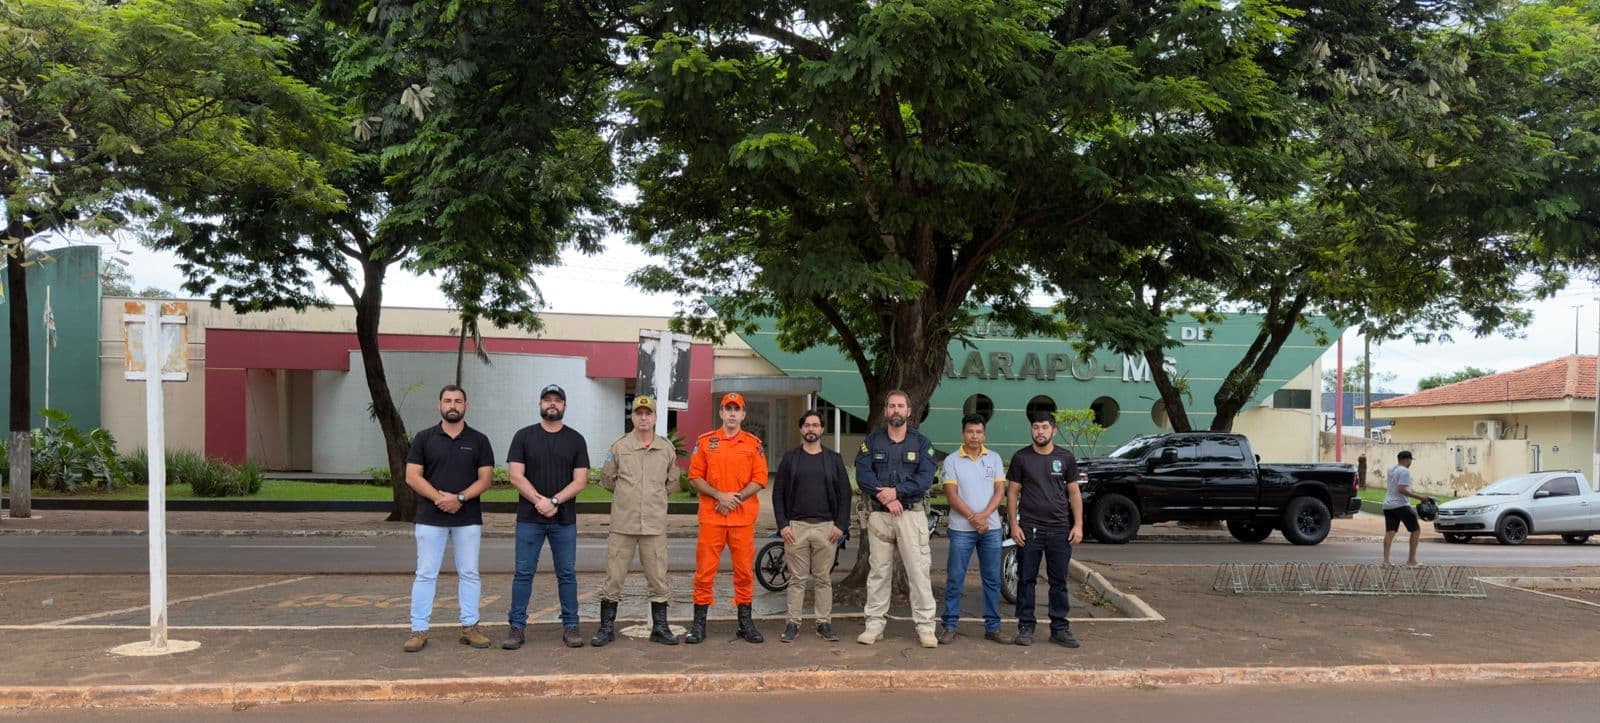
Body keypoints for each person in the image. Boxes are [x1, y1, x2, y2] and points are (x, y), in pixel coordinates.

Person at [401, 385, 495, 653]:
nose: (452, 405)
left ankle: (470, 627)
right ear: (439, 404)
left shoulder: (479, 440)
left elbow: (485, 479)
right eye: (447, 400)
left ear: (467, 405)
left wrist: (460, 499)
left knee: (469, 573)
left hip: (468, 519)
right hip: (430, 518)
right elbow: (412, 476)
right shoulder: (423, 438)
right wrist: (440, 499)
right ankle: (418, 630)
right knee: (425, 574)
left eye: (458, 401)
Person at [503, 383, 590, 650]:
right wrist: (539, 502)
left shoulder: (576, 439)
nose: (552, 404)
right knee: (523, 574)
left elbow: (581, 481)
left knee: (566, 574)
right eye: (547, 400)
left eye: (557, 400)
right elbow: (515, 476)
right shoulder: (523, 437)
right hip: (530, 519)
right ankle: (516, 628)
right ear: (540, 404)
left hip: (563, 520)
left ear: (564, 405)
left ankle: (571, 626)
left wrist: (553, 501)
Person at [591, 395, 680, 647]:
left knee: (658, 579)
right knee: (614, 578)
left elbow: (671, 483)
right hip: (623, 524)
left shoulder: (666, 449)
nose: (643, 417)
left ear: (654, 417)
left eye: (648, 413)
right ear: (632, 417)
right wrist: (628, 498)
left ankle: (660, 628)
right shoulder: (619, 447)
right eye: (639, 413)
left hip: (654, 525)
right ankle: (606, 628)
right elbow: (608, 479)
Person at [854, 390, 939, 648]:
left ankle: (926, 627)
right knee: (878, 572)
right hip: (880, 515)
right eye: (891, 406)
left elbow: (925, 477)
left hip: (911, 516)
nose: (896, 410)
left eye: (901, 406)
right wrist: (887, 498)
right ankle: (874, 625)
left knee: (918, 572)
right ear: (886, 411)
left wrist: (897, 493)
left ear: (909, 412)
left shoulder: (922, 444)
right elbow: (863, 474)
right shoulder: (872, 441)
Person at [685, 392, 769, 644]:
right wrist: (718, 495)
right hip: (712, 519)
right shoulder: (706, 442)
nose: (732, 413)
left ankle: (745, 624)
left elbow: (760, 479)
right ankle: (698, 625)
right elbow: (695, 476)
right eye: (727, 409)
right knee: (704, 573)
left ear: (743, 414)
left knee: (744, 573)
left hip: (742, 520)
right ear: (721, 413)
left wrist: (735, 499)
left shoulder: (753, 444)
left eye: (737, 409)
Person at [771, 410, 852, 643]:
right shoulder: (790, 459)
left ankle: (823, 623)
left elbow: (845, 494)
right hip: (796, 528)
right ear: (801, 429)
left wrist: (841, 525)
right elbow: (778, 493)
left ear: (822, 430)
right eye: (807, 425)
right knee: (797, 579)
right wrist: (783, 525)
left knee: (823, 578)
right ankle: (792, 624)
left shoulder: (833, 459)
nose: (811, 429)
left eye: (816, 425)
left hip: (827, 528)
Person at [1005, 411, 1082, 648]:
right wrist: (1014, 526)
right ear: (1031, 430)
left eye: (1045, 427)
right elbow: (1012, 493)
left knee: (1059, 581)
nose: (1040, 431)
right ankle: (1026, 627)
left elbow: (1074, 493)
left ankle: (1059, 628)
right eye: (1036, 427)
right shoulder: (1021, 458)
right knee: (1026, 580)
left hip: (1060, 530)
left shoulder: (1066, 458)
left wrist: (1078, 525)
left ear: (1054, 430)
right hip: (1029, 530)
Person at [938, 413, 1009, 645]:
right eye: (970, 432)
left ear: (984, 434)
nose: (975, 436)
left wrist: (985, 516)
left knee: (991, 579)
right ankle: (949, 626)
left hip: (991, 527)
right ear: (963, 434)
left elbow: (1000, 491)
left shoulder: (995, 458)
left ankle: (993, 627)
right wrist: (972, 517)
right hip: (961, 529)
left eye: (979, 432)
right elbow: (951, 494)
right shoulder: (951, 460)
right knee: (956, 578)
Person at [1382, 450, 1431, 566]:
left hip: (1388, 505)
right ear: (1407, 459)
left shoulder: (1391, 469)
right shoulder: (1405, 472)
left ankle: (1386, 561)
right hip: (1401, 505)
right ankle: (1411, 560)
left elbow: (1399, 487)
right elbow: (1401, 489)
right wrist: (1420, 498)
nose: (1410, 463)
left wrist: (1413, 493)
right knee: (1415, 530)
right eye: (1410, 460)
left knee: (1390, 532)